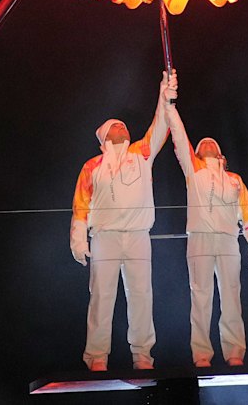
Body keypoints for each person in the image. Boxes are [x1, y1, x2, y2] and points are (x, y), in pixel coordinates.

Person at [70, 70, 178, 372]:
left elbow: (159, 127)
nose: (121, 126)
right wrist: (79, 239)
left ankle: (143, 356)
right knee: (102, 296)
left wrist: (163, 94)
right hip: (104, 237)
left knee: (142, 295)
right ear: (104, 138)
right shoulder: (92, 166)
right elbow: (80, 205)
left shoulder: (141, 154)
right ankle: (97, 358)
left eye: (123, 125)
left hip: (138, 235)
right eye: (115, 126)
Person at [165, 88, 248, 368]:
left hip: (229, 240)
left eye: (211, 143)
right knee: (201, 296)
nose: (207, 144)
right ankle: (202, 355)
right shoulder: (193, 171)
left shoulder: (234, 180)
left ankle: (234, 353)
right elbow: (180, 137)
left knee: (231, 295)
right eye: (202, 144)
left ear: (221, 154)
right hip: (200, 240)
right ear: (195, 153)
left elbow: (247, 212)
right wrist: (170, 107)